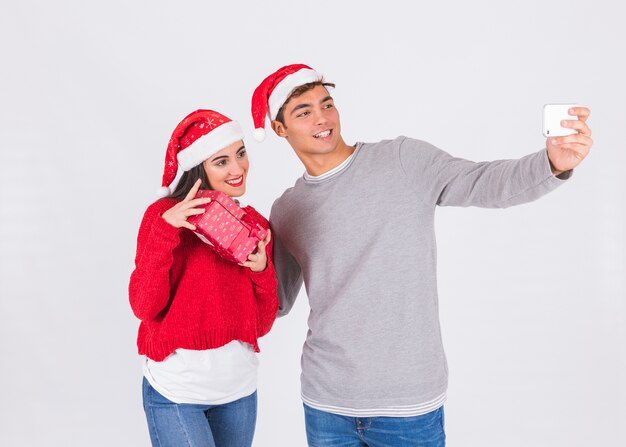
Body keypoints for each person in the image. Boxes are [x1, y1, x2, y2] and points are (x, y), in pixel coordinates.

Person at [250, 64, 593, 446]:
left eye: (326, 104)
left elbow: (481, 182)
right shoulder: (288, 208)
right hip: (326, 403)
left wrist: (550, 164)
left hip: (408, 403)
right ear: (280, 129)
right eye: (304, 112)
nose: (322, 118)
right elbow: (274, 303)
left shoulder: (402, 160)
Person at [129, 109, 278, 447]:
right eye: (221, 161)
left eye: (241, 154)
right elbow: (144, 306)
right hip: (176, 392)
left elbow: (262, 324)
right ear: (198, 167)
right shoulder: (161, 217)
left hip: (239, 392)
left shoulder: (252, 224)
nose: (238, 168)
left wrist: (262, 271)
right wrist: (166, 232)